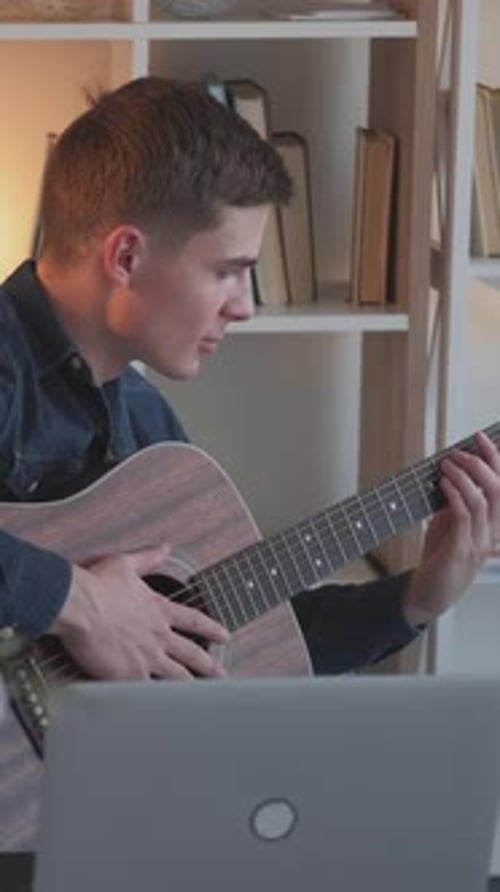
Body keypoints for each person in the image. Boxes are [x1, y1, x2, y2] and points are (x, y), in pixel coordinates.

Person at [0, 75, 499, 681]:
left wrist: (419, 596)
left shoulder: (151, 434)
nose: (245, 305)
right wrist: (80, 603)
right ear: (126, 257)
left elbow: (243, 636)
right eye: (228, 271)